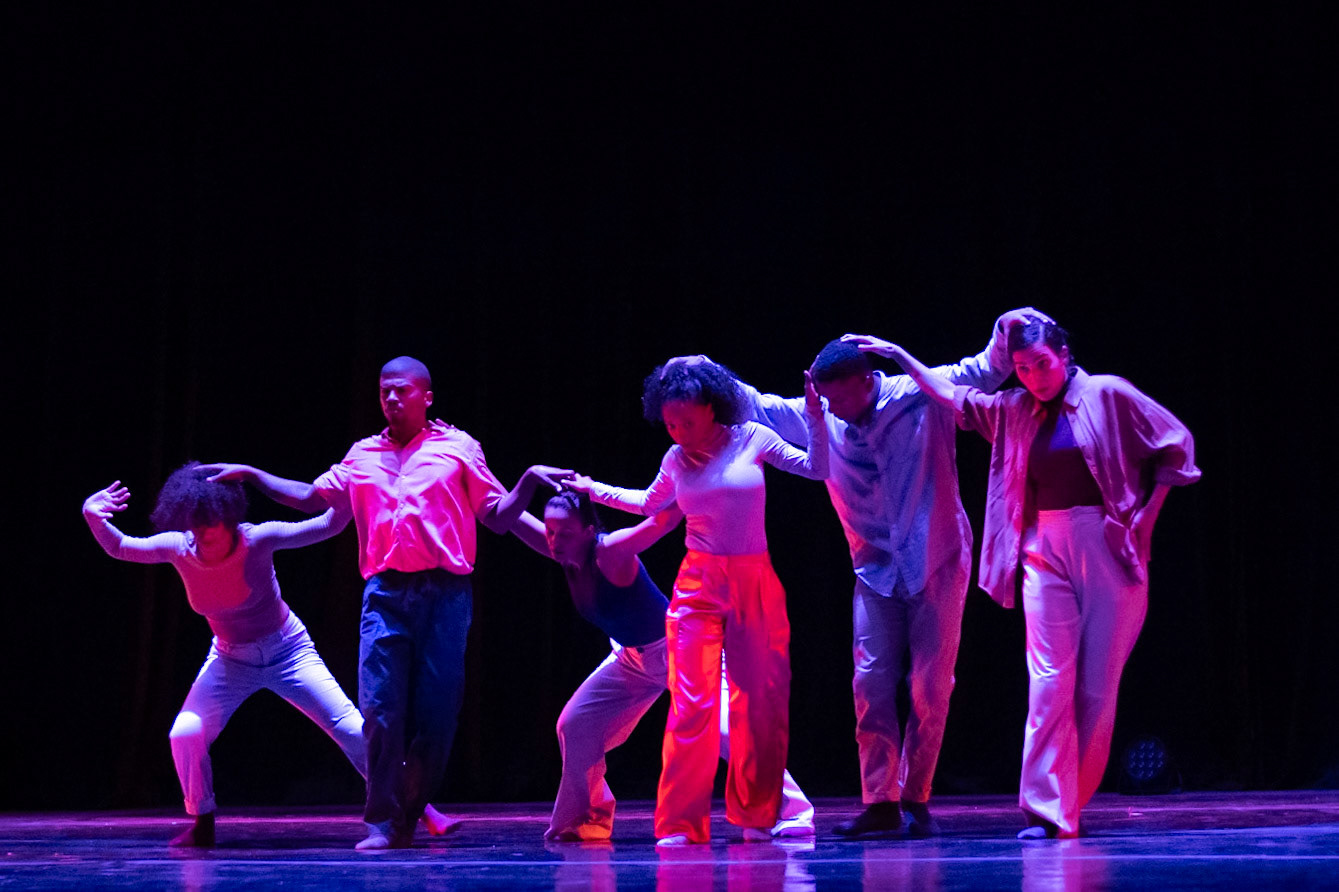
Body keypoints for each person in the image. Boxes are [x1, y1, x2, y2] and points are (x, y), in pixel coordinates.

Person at [686, 307, 1039, 837]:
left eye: (840, 399)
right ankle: (880, 801)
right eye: (825, 401)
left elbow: (985, 370)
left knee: (931, 685)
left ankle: (915, 797)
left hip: (938, 559)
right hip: (873, 569)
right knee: (870, 682)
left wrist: (1006, 328)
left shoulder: (920, 392)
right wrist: (702, 367)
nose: (832, 411)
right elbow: (755, 403)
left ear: (868, 381)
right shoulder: (820, 414)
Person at [846, 317, 1199, 839]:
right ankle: (1046, 811)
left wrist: (1146, 519)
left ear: (1064, 356)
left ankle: (1070, 804)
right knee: (1048, 680)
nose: (1034, 377)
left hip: (1105, 543)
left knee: (1096, 688)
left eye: (1042, 365)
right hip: (1041, 546)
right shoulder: (1013, 409)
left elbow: (1176, 444)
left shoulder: (1106, 394)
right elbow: (951, 394)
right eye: (1022, 369)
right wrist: (900, 356)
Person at [203, 356, 515, 850]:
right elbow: (312, 496)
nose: (391, 398)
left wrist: (530, 487)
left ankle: (411, 813)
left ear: (426, 396)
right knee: (380, 709)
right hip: (385, 594)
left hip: (445, 595)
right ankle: (383, 822)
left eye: (402, 390)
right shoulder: (362, 454)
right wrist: (253, 474)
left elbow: (494, 513)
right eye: (384, 391)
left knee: (437, 716)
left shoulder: (459, 448)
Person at [81, 464, 454, 846]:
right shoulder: (179, 548)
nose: (204, 533)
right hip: (229, 659)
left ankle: (421, 807)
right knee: (185, 732)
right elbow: (120, 546)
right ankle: (202, 822)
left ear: (229, 516)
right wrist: (92, 515)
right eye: (196, 524)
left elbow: (328, 525)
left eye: (212, 523)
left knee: (351, 728)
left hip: (288, 651)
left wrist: (354, 494)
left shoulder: (257, 539)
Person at [569, 359, 829, 845]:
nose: (679, 432)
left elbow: (818, 468)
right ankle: (681, 824)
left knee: (757, 703)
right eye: (670, 424)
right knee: (691, 703)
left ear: (712, 408)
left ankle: (758, 816)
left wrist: (814, 416)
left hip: (753, 581)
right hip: (698, 585)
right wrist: (592, 489)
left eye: (687, 421)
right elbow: (648, 503)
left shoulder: (752, 437)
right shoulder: (676, 459)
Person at [496, 474, 816, 841]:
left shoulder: (610, 552)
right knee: (576, 723)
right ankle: (585, 819)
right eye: (550, 531)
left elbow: (661, 522)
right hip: (631, 659)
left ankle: (793, 812)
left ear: (588, 531)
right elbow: (502, 512)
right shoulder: (564, 552)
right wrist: (514, 475)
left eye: (564, 533)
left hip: (680, 649)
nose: (554, 540)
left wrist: (695, 484)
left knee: (726, 730)